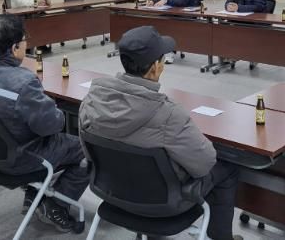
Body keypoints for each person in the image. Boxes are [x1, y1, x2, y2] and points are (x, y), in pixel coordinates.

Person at [79, 26, 241, 240]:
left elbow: (89, 154)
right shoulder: (169, 114)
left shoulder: (90, 102)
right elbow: (205, 163)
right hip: (165, 206)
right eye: (163, 60)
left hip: (112, 193)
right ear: (155, 67)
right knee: (227, 168)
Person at [0, 15, 88, 233]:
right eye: (25, 40)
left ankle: (35, 192)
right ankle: (55, 205)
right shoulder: (23, 82)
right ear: (14, 48)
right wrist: (50, 106)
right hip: (18, 159)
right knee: (86, 150)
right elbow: (52, 126)